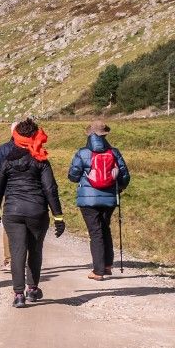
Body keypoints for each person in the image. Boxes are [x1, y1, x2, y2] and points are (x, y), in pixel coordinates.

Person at [0, 118, 65, 308]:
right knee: (35, 250)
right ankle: (32, 289)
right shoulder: (42, 161)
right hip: (37, 211)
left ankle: (18, 294)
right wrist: (58, 216)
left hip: (13, 211)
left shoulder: (7, 161)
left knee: (17, 252)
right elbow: (50, 189)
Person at [68, 119, 130, 280]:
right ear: (105, 135)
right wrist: (119, 188)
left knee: (95, 233)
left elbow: (73, 176)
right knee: (105, 228)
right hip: (109, 198)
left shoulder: (82, 153)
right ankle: (107, 266)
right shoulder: (114, 152)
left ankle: (98, 271)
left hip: (88, 200)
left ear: (90, 134)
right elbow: (125, 176)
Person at [0, 121, 19, 274]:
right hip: (30, 193)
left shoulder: (3, 149)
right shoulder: (33, 148)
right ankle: (23, 259)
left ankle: (9, 260)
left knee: (9, 225)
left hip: (8, 192)